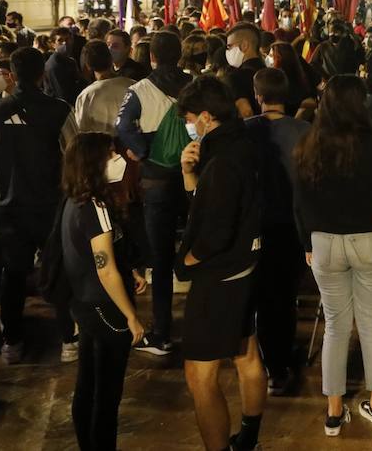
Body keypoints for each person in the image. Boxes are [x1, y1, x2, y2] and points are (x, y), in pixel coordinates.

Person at [293, 76, 372, 436]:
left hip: (324, 241)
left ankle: (334, 412)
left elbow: (300, 200)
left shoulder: (310, 143)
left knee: (336, 326)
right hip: (368, 238)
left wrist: (307, 243)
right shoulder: (371, 142)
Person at [175, 75, 266, 451]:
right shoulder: (245, 143)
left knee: (200, 374)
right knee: (246, 353)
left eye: (190, 117)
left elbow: (215, 231)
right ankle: (249, 437)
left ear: (207, 117)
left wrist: (187, 262)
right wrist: (188, 174)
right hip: (248, 266)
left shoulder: (224, 161)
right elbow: (212, 203)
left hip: (221, 277)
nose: (189, 124)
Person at [0, 47, 74, 363]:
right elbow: (72, 151)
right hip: (49, 202)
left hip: (8, 204)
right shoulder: (59, 109)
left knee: (13, 273)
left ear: (11, 73)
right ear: (42, 74)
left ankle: (12, 341)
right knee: (59, 270)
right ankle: (68, 338)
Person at [61, 131, 146, 451]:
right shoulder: (95, 207)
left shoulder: (74, 200)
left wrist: (130, 271)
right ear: (94, 163)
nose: (118, 159)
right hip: (105, 308)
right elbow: (105, 267)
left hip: (85, 303)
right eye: (111, 154)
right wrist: (131, 317)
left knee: (88, 385)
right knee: (107, 394)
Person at [114, 30, 190, 357]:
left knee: (160, 259)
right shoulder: (195, 86)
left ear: (152, 57)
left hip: (157, 181)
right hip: (194, 180)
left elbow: (122, 128)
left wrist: (141, 150)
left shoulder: (139, 91)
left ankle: (162, 332)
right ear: (180, 55)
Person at [246, 68, 311, 396]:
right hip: (293, 225)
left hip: (256, 225)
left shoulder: (245, 132)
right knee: (284, 295)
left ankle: (268, 361)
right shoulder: (304, 131)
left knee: (262, 295)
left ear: (258, 96)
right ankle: (279, 363)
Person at [73, 41, 135, 135]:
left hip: (101, 147)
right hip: (131, 146)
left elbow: (82, 130)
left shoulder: (87, 95)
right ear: (110, 59)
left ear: (88, 65)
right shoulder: (133, 85)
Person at [223, 22, 265, 118]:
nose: (228, 51)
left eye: (229, 46)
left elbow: (246, 112)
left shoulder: (235, 77)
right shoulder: (270, 71)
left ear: (245, 45)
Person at [46, 27, 82, 103]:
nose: (64, 43)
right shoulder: (55, 65)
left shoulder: (69, 60)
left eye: (67, 39)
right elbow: (61, 94)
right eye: (60, 40)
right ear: (53, 44)